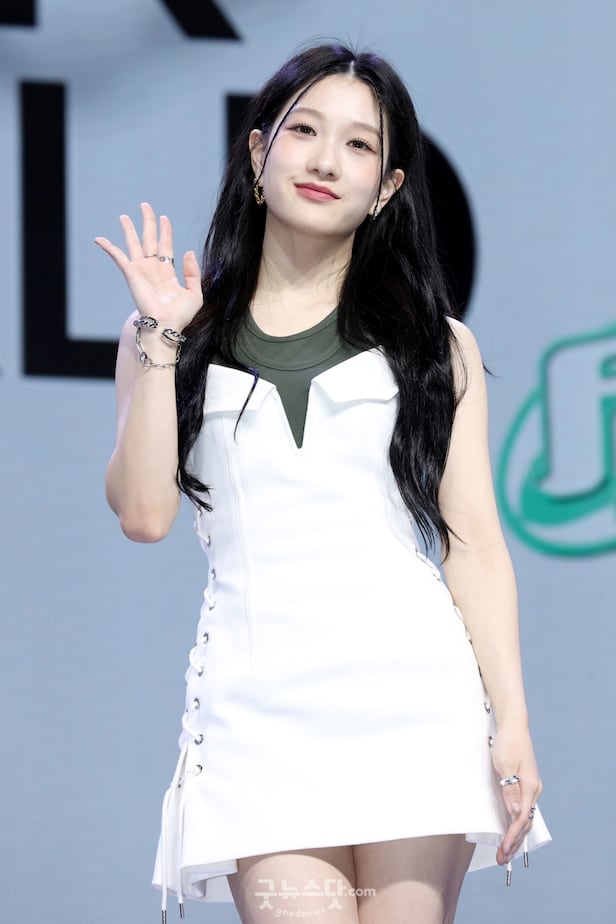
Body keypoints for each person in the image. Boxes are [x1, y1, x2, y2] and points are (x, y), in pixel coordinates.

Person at [96, 40, 550, 924]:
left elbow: (473, 545)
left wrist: (513, 723)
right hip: (258, 718)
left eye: (358, 144)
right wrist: (163, 338)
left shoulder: (437, 346)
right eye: (303, 130)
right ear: (258, 153)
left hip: (415, 707)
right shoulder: (171, 334)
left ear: (385, 188)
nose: (325, 160)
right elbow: (144, 515)